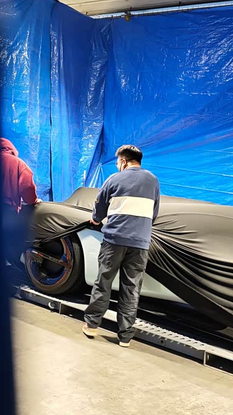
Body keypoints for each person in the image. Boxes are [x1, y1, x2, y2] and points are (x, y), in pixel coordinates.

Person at [81, 144, 160, 347]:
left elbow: (99, 207)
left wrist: (95, 219)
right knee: (131, 288)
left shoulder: (114, 179)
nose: (117, 165)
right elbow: (154, 213)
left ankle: (92, 326)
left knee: (104, 282)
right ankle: (125, 336)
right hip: (140, 243)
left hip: (114, 241)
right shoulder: (153, 181)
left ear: (123, 161)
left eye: (118, 162)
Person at [0, 138, 41, 264]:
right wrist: (32, 201)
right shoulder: (18, 163)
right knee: (10, 244)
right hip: (8, 211)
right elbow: (27, 187)